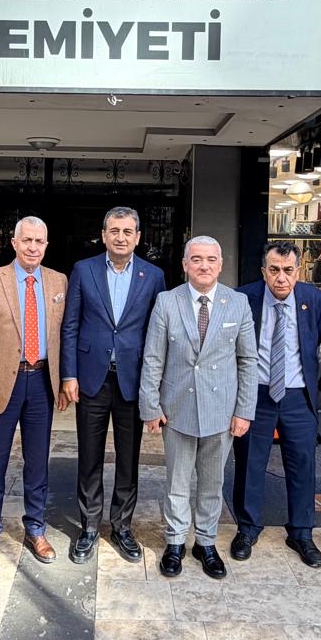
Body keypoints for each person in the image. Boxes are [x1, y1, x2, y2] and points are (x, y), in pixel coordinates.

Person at [139, 237, 257, 580]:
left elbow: (248, 361)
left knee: (211, 483)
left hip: (222, 410)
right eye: (196, 259)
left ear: (220, 264)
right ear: (185, 265)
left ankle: (205, 542)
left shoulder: (238, 303)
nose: (203, 265)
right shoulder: (167, 301)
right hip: (177, 408)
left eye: (210, 259)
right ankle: (175, 541)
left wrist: (244, 410)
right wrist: (150, 405)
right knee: (176, 482)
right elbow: (153, 358)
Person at [60, 207, 166, 564]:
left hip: (132, 380)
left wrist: (155, 386)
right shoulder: (83, 270)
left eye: (128, 231)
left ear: (138, 237)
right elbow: (70, 325)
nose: (121, 237)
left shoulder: (153, 276)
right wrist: (69, 375)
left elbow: (157, 334)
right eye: (114, 231)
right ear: (104, 235)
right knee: (89, 456)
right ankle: (89, 526)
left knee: (128, 458)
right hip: (91, 378)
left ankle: (122, 526)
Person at [0, 216, 69, 568]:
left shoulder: (59, 281)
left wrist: (64, 380)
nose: (33, 247)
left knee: (37, 462)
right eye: (27, 240)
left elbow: (64, 336)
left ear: (46, 245)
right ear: (13, 242)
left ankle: (36, 528)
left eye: (39, 241)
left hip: (41, 383)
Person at [232, 241, 321, 567]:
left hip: (298, 396)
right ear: (264, 271)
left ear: (298, 272)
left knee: (302, 465)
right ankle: (247, 528)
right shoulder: (245, 298)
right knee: (250, 463)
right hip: (256, 394)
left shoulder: (314, 299)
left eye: (288, 270)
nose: (281, 278)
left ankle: (301, 532)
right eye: (274, 270)